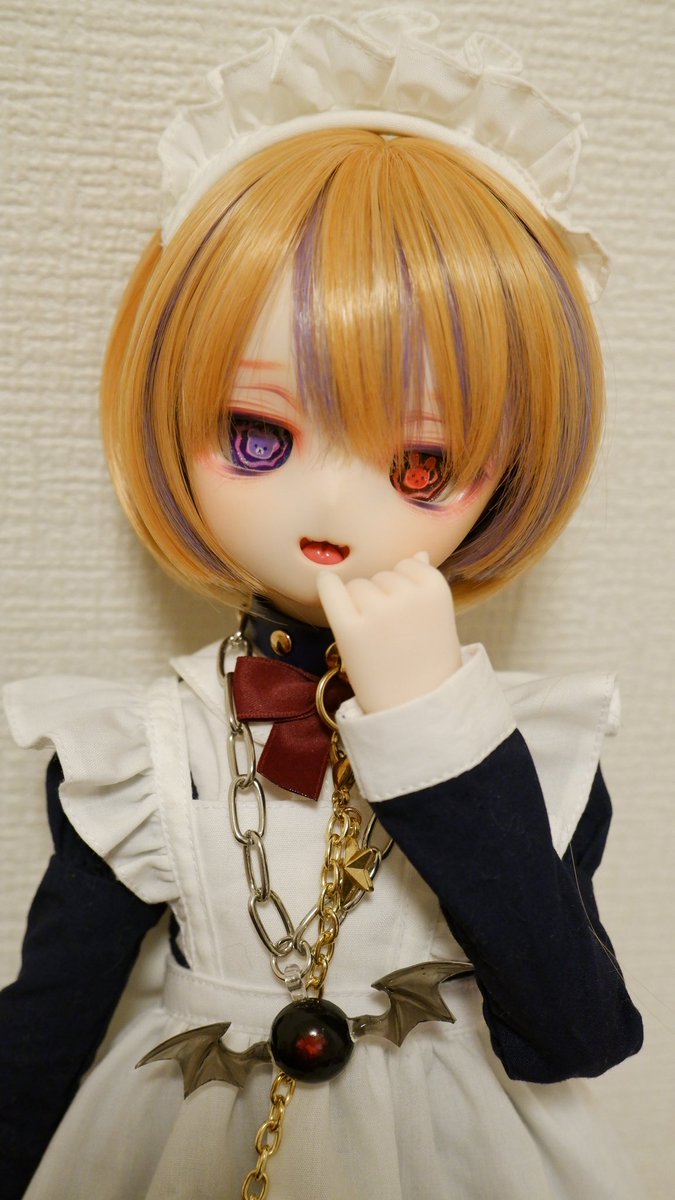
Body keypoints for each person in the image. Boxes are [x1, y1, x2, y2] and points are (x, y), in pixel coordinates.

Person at [0, 13, 643, 1199]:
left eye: (421, 462)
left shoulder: (532, 753)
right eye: (260, 435)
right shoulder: (142, 750)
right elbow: (44, 1031)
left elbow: (575, 1031)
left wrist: (435, 727)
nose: (332, 503)